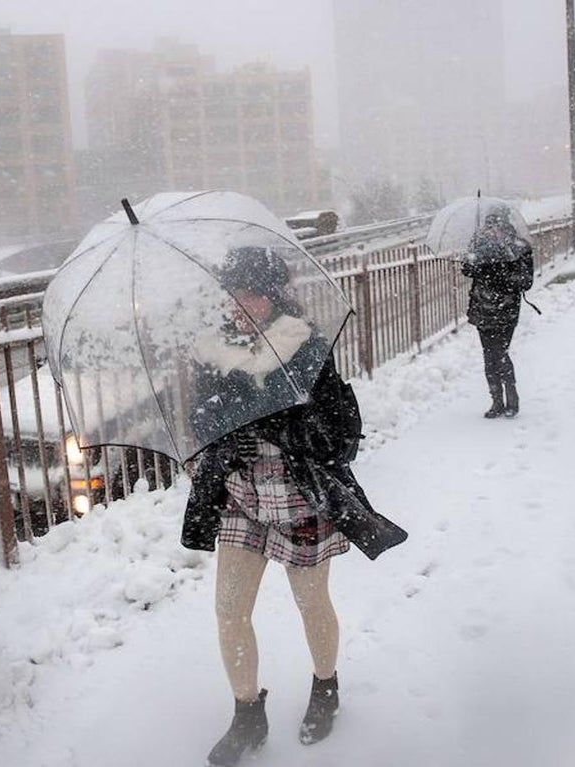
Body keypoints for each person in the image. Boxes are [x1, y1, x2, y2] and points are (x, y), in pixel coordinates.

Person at [182, 245, 408, 767]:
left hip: (299, 493)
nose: (243, 302)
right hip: (240, 495)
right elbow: (199, 419)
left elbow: (342, 430)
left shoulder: (304, 346)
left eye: (253, 292)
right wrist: (223, 434)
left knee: (311, 601)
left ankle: (325, 687)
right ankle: (246, 714)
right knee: (229, 609)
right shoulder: (211, 350)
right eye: (235, 292)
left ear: (274, 295)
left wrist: (286, 423)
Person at [462, 208, 535, 418]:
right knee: (489, 356)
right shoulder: (479, 245)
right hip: (482, 309)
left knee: (500, 353)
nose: (493, 230)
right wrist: (477, 263)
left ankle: (512, 399)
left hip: (506, 309)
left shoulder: (519, 247)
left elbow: (526, 281)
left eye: (497, 225)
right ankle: (496, 401)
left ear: (505, 226)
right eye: (489, 225)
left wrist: (499, 276)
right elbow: (466, 269)